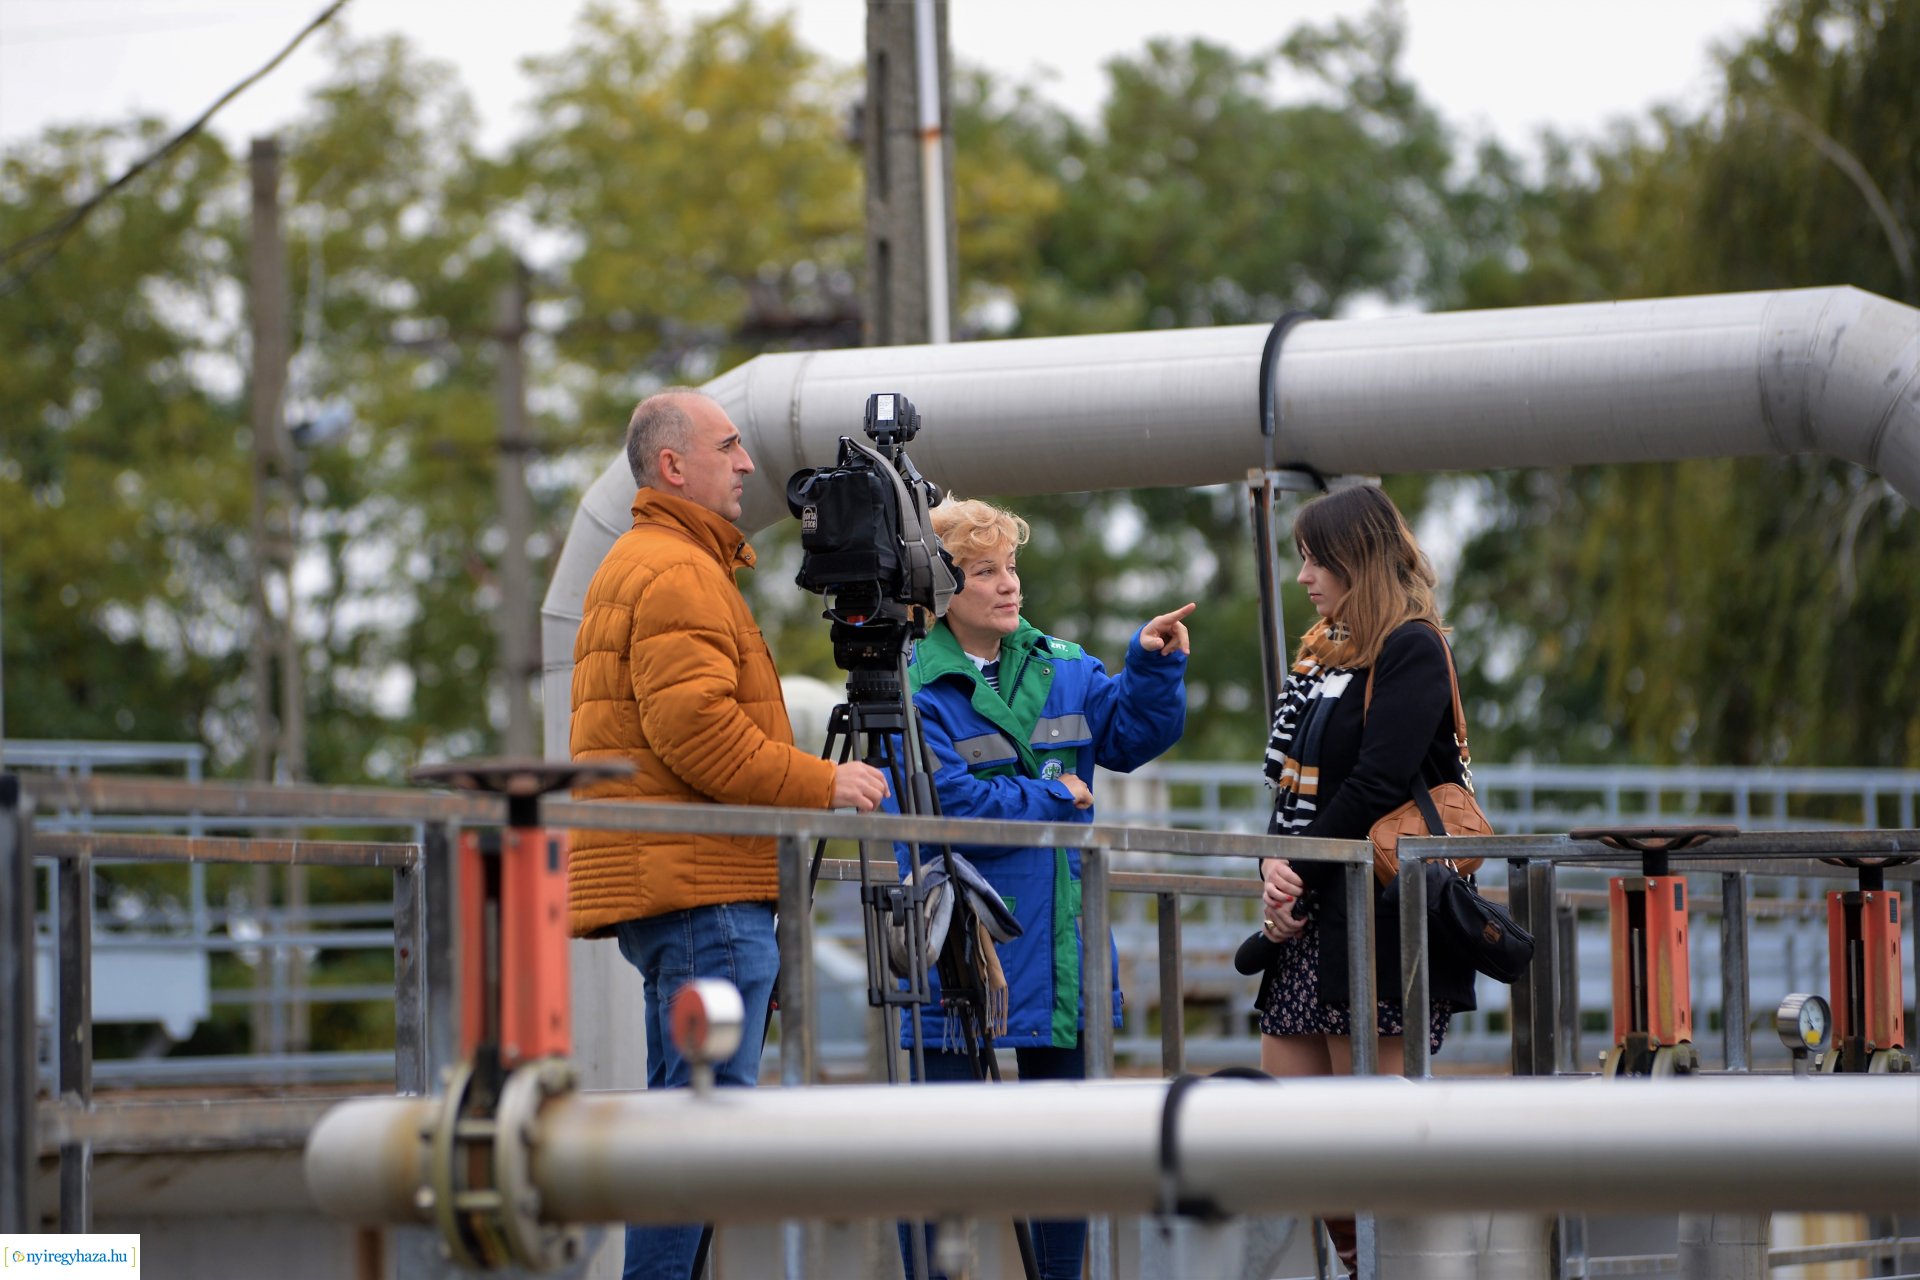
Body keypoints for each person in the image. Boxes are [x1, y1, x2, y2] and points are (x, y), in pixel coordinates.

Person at [567, 388, 891, 1280]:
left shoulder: (651, 560)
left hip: (681, 887)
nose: (748, 463)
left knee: (680, 1124)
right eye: (729, 446)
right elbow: (698, 733)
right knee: (701, 1136)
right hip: (703, 893)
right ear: (674, 465)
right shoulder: (676, 570)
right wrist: (824, 781)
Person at [893, 496, 1193, 1280]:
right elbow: (950, 810)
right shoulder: (908, 684)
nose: (1009, 584)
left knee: (1065, 1165)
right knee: (939, 1169)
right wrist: (1057, 797)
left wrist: (1152, 665)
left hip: (1059, 953)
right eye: (984, 571)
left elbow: (1131, 736)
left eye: (1011, 567)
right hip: (958, 956)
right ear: (939, 588)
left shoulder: (1065, 665)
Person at [1250, 484, 1480, 1271]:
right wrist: (1273, 869)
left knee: (1373, 1146)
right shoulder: (1322, 653)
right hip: (1311, 919)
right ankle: (1360, 1265)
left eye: (1317, 560)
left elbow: (1379, 783)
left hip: (1376, 921)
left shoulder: (1412, 646)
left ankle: (1392, 1267)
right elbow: (1291, 792)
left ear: (1359, 559)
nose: (1304, 577)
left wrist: (1296, 868)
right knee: (1296, 1141)